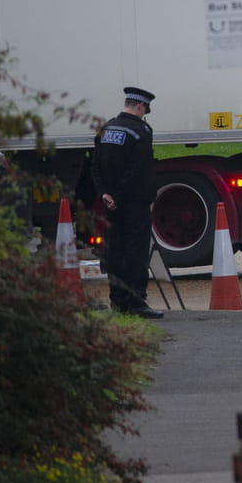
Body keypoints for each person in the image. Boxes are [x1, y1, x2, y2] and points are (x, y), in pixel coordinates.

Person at [92, 86, 162, 319]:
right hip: (134, 202)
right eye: (145, 109)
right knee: (136, 253)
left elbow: (95, 166)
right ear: (141, 106)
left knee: (115, 251)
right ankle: (136, 302)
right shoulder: (140, 131)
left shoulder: (106, 128)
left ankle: (118, 302)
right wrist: (120, 196)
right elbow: (136, 170)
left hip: (110, 203)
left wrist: (105, 194)